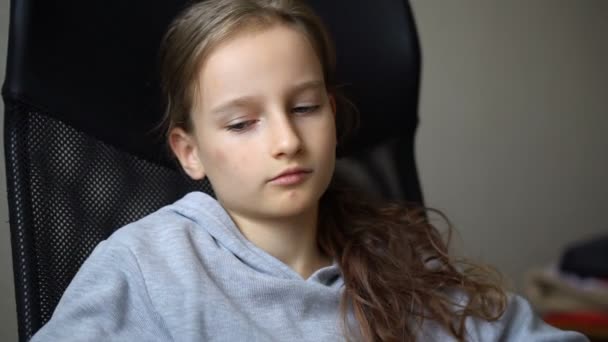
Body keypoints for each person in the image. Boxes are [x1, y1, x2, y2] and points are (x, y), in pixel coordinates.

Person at [31, 0, 588, 341]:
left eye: (304, 108)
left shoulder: (399, 255)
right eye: (242, 123)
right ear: (189, 151)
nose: (287, 140)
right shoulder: (149, 266)